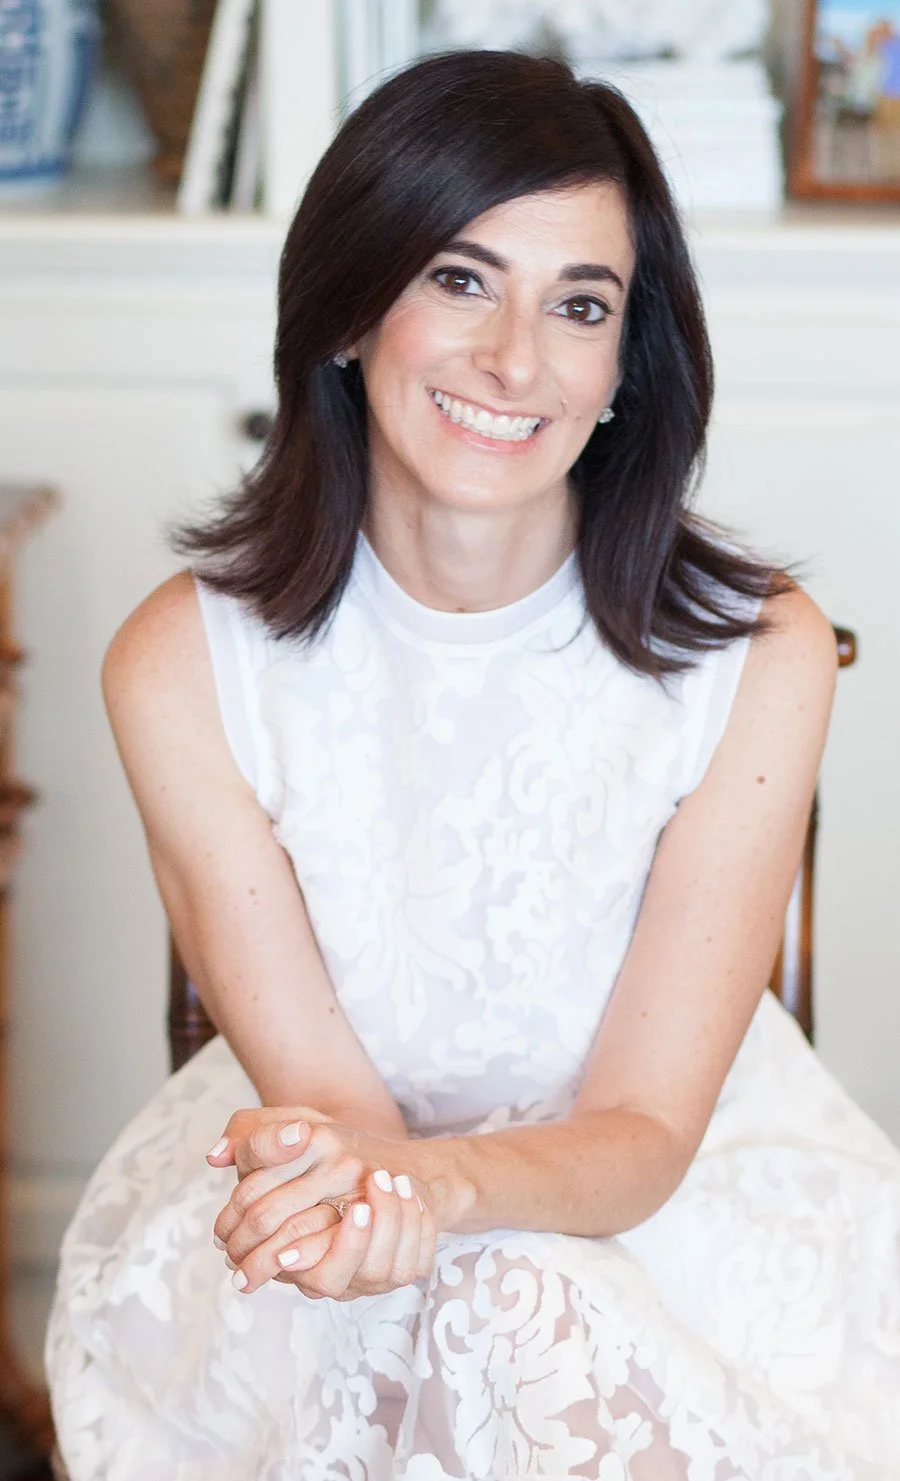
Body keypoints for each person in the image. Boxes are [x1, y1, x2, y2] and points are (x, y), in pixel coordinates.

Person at [45, 48, 900, 1481]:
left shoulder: (760, 654)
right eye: (459, 279)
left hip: (676, 1210)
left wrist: (447, 1199)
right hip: (338, 1185)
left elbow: (644, 1131)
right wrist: (398, 1206)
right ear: (347, 309)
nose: (516, 360)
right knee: (467, 1309)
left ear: (624, 366)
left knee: (520, 1306)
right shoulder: (182, 665)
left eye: (581, 305)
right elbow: (336, 1111)